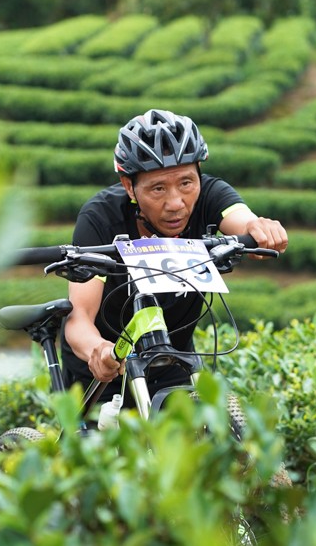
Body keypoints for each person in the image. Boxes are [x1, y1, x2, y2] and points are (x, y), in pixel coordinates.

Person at [60, 108, 288, 403]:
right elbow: (79, 318)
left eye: (186, 183)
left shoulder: (210, 194)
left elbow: (242, 219)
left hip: (173, 361)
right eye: (157, 188)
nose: (176, 203)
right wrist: (97, 349)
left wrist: (260, 228)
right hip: (104, 371)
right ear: (129, 186)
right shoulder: (100, 218)